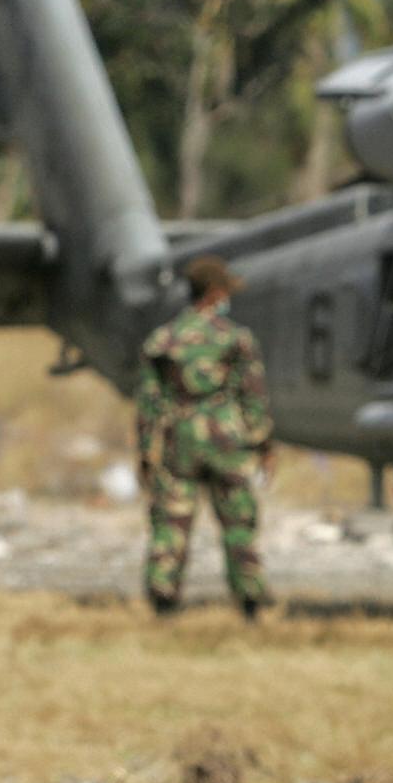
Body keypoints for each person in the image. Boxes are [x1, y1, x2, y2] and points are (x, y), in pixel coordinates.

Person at [135, 255, 273, 618]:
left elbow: (149, 404)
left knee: (171, 522)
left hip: (179, 439)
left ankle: (163, 597)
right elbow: (253, 398)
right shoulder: (236, 339)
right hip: (227, 439)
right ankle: (250, 600)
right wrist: (263, 444)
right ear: (215, 293)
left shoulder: (163, 340)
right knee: (239, 522)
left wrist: (147, 453)